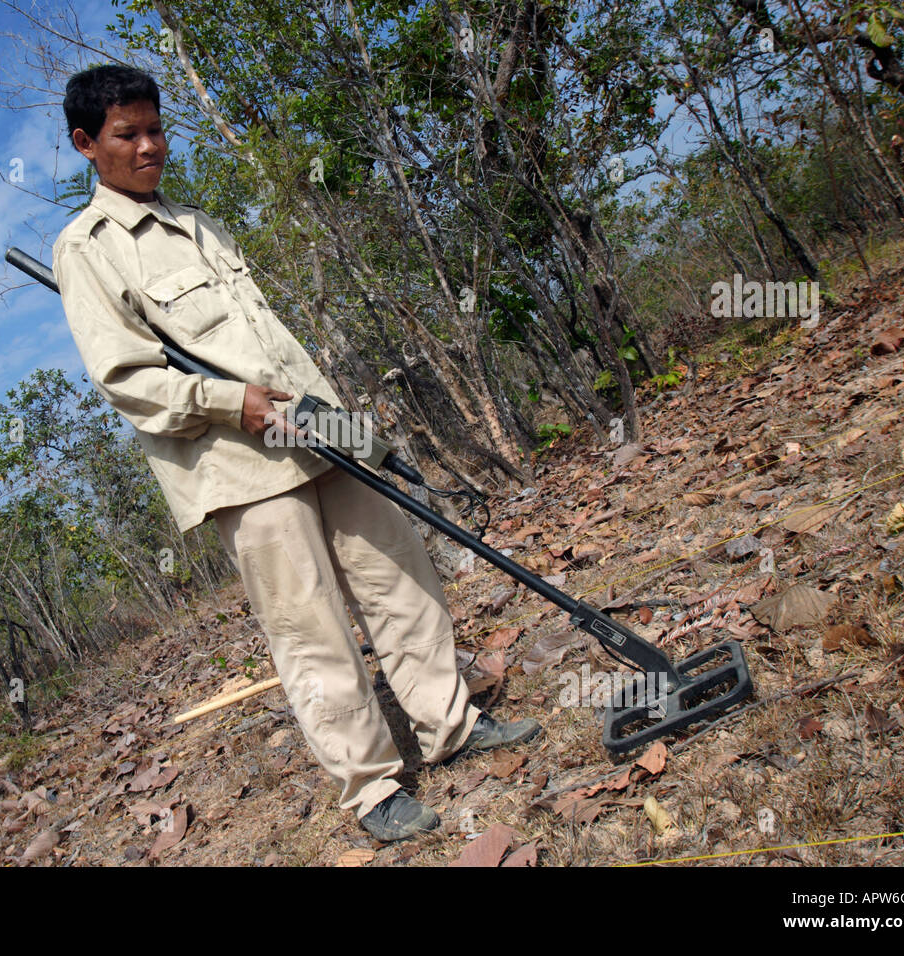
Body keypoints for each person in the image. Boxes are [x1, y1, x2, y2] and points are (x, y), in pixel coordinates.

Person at [51, 64, 541, 842]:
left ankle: (451, 723)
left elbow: (273, 346)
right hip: (239, 466)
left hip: (318, 431)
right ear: (86, 144)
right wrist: (227, 403)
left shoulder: (202, 224)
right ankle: (374, 789)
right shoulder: (86, 249)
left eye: (155, 129)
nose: (149, 146)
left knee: (399, 573)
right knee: (309, 626)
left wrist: (347, 424)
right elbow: (128, 381)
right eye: (127, 135)